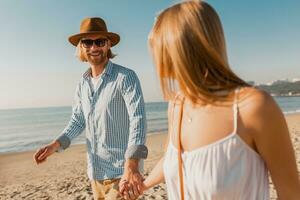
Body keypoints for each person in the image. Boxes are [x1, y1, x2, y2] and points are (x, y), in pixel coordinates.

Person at [137, 1, 300, 199]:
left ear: (181, 51)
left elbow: (291, 193)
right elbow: (173, 159)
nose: (157, 63)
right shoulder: (177, 105)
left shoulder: (252, 108)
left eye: (159, 52)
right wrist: (142, 186)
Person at [33, 17, 147, 200]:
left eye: (99, 41)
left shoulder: (126, 77)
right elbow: (78, 120)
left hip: (122, 173)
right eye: (87, 42)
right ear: (81, 47)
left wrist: (132, 166)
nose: (94, 48)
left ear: (108, 44)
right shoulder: (82, 84)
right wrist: (55, 145)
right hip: (95, 174)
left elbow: (138, 119)